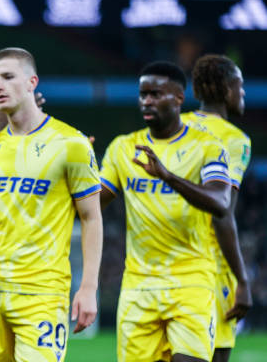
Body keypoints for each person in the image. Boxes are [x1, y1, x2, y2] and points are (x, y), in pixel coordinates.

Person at [0, 47, 103, 362]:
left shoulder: (71, 144)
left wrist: (88, 288)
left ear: (32, 82)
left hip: (42, 293)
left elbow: (91, 218)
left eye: (8, 77)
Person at [100, 61, 232, 362]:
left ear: (179, 98)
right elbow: (92, 202)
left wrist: (168, 177)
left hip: (191, 281)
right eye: (143, 94)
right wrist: (78, 167)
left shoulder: (207, 146)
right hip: (138, 287)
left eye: (156, 94)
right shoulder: (123, 148)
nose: (147, 101)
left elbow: (221, 202)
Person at [182, 54, 252, 362]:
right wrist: (243, 280)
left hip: (167, 264)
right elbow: (222, 214)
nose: (243, 93)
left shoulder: (176, 125)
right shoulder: (235, 140)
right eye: (239, 85)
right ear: (225, 89)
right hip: (210, 266)